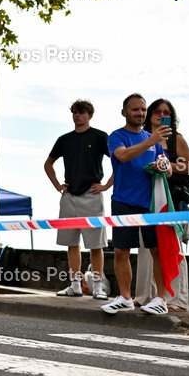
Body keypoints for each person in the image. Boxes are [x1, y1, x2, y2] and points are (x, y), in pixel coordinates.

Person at [101, 94, 172, 315]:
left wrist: (163, 165)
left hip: (151, 204)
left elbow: (168, 169)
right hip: (123, 201)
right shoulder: (116, 136)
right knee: (122, 251)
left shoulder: (154, 138)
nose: (140, 113)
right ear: (124, 112)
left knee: (157, 251)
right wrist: (150, 142)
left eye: (142, 109)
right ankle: (125, 298)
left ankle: (160, 299)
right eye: (135, 110)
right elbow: (123, 156)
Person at [43, 99, 113, 300]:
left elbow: (118, 161)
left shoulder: (100, 137)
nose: (78, 115)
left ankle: (98, 287)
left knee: (96, 244)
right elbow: (48, 164)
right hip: (69, 196)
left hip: (92, 195)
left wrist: (107, 185)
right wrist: (57, 185)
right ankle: (75, 285)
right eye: (75, 112)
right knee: (71, 243)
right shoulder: (64, 139)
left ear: (89, 115)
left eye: (82, 112)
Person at [136, 98, 189, 311]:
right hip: (144, 199)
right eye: (157, 112)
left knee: (173, 248)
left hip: (171, 201)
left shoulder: (176, 139)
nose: (161, 115)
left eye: (166, 112)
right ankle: (144, 296)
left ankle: (177, 300)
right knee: (145, 247)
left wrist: (166, 164)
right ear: (150, 115)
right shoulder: (141, 139)